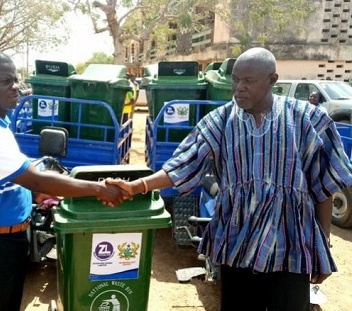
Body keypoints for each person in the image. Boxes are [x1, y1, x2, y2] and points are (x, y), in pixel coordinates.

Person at [107, 47, 352, 311]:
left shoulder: (307, 120)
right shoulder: (220, 121)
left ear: (272, 80)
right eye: (235, 79)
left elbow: (323, 187)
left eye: (248, 81)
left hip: (291, 246)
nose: (239, 88)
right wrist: (137, 186)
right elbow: (183, 164)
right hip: (238, 243)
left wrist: (322, 245)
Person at [0, 49, 126, 311]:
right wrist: (98, 189)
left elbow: (11, 178)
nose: (16, 88)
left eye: (16, 80)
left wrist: (34, 194)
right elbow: (36, 180)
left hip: (3, 241)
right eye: (6, 81)